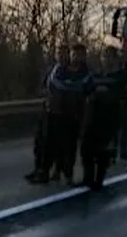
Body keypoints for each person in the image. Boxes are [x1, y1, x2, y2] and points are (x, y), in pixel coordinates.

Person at [38, 43, 95, 185]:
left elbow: (86, 88)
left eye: (79, 55)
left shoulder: (87, 72)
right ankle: (51, 171)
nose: (76, 57)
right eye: (74, 54)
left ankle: (68, 173)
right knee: (53, 143)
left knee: (71, 146)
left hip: (77, 114)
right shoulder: (61, 69)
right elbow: (54, 84)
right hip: (59, 112)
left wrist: (71, 89)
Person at [82, 50, 121, 189]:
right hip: (92, 117)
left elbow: (122, 97)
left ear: (115, 59)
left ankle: (99, 180)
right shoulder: (94, 76)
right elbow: (84, 89)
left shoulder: (119, 77)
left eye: (109, 57)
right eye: (104, 56)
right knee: (86, 149)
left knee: (102, 152)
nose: (106, 59)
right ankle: (87, 178)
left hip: (108, 118)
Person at [26, 55, 64, 184]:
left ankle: (49, 172)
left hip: (59, 112)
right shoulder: (51, 70)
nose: (61, 56)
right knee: (39, 142)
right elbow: (41, 87)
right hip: (47, 109)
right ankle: (38, 169)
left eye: (64, 53)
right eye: (60, 53)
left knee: (53, 144)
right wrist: (44, 93)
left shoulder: (67, 72)